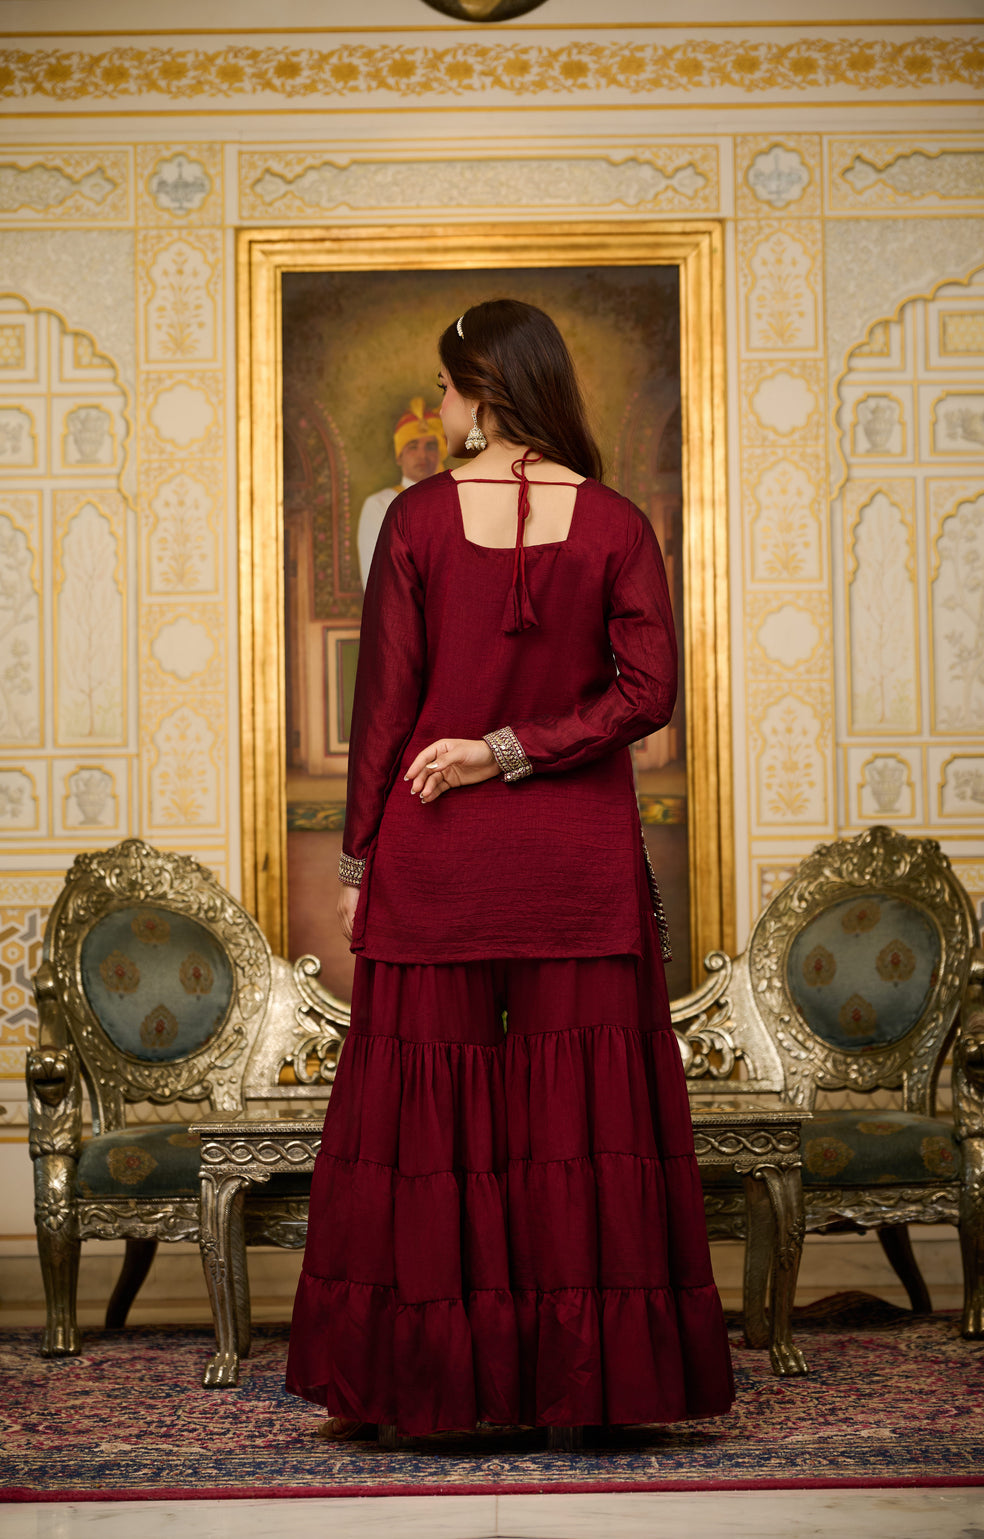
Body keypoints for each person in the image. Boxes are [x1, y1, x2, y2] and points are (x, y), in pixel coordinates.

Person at [286, 299, 735, 1446]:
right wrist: (519, 750)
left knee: (431, 1130)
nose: (439, 412)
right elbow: (647, 694)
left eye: (447, 391)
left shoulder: (419, 523)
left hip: (435, 851)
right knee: (575, 1124)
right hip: (576, 864)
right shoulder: (620, 525)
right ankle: (588, 1389)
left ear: (479, 391)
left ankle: (440, 1387)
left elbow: (382, 712)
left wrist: (359, 861)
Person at [356, 397, 447, 588]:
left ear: (439, 453)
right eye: (413, 447)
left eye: (430, 446)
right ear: (399, 456)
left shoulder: (451, 501)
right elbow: (377, 581)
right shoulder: (379, 505)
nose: (422, 455)